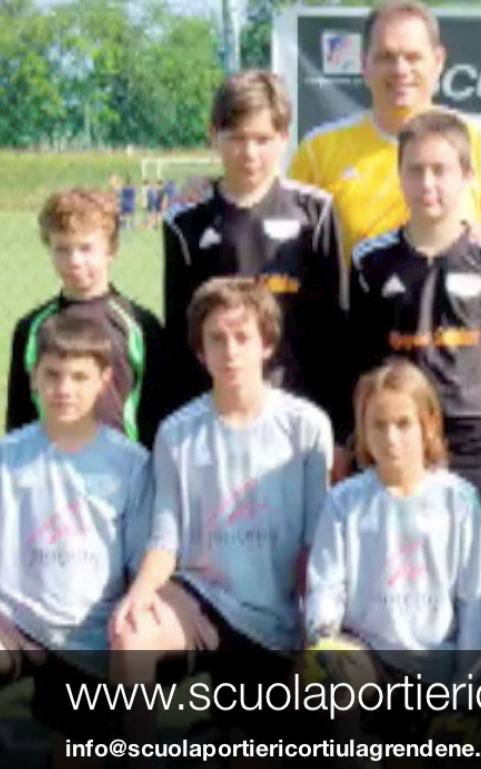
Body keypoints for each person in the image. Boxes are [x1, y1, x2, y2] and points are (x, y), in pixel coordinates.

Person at [109, 278, 333, 763]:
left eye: (242, 337)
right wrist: (139, 594)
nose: (230, 352)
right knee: (132, 630)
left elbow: (315, 547)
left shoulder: (306, 427)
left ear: (266, 344)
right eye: (216, 339)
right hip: (203, 603)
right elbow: (165, 539)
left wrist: (313, 636)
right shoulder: (176, 433)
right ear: (200, 352)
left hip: (280, 617)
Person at [349, 110, 481, 635]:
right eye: (416, 170)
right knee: (400, 556)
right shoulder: (370, 262)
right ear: (399, 175)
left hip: (476, 431)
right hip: (398, 432)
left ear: (468, 176)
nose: (428, 183)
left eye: (441, 170)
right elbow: (362, 353)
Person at [303, 358, 481, 756]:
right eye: (378, 425)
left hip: (436, 670)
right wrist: (325, 639)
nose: (391, 438)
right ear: (363, 431)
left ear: (429, 426)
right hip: (370, 662)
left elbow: (474, 607)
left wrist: (465, 694)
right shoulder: (344, 502)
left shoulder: (460, 501)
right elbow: (326, 587)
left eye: (403, 424)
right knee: (331, 685)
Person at [163, 70, 350, 444]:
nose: (250, 153)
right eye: (237, 138)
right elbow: (180, 339)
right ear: (214, 135)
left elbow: (338, 332)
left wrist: (342, 431)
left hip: (300, 412)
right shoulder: (186, 222)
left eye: (262, 139)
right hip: (217, 418)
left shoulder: (315, 213)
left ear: (283, 138)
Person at [0, 314, 152, 769]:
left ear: (105, 381)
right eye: (52, 375)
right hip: (15, 625)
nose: (64, 389)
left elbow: (140, 568)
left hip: (89, 635)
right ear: (33, 378)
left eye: (79, 377)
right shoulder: (8, 457)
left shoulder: (131, 464)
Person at [287, 0, 481, 268]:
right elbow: (288, 253)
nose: (400, 70)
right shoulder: (318, 150)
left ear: (438, 61)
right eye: (386, 57)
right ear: (364, 64)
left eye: (413, 57)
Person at [8, 188, 169, 449]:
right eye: (62, 249)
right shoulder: (32, 328)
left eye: (86, 248)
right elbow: (19, 416)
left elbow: (158, 410)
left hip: (120, 466)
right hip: (50, 465)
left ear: (111, 249)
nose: (74, 260)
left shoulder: (140, 325)